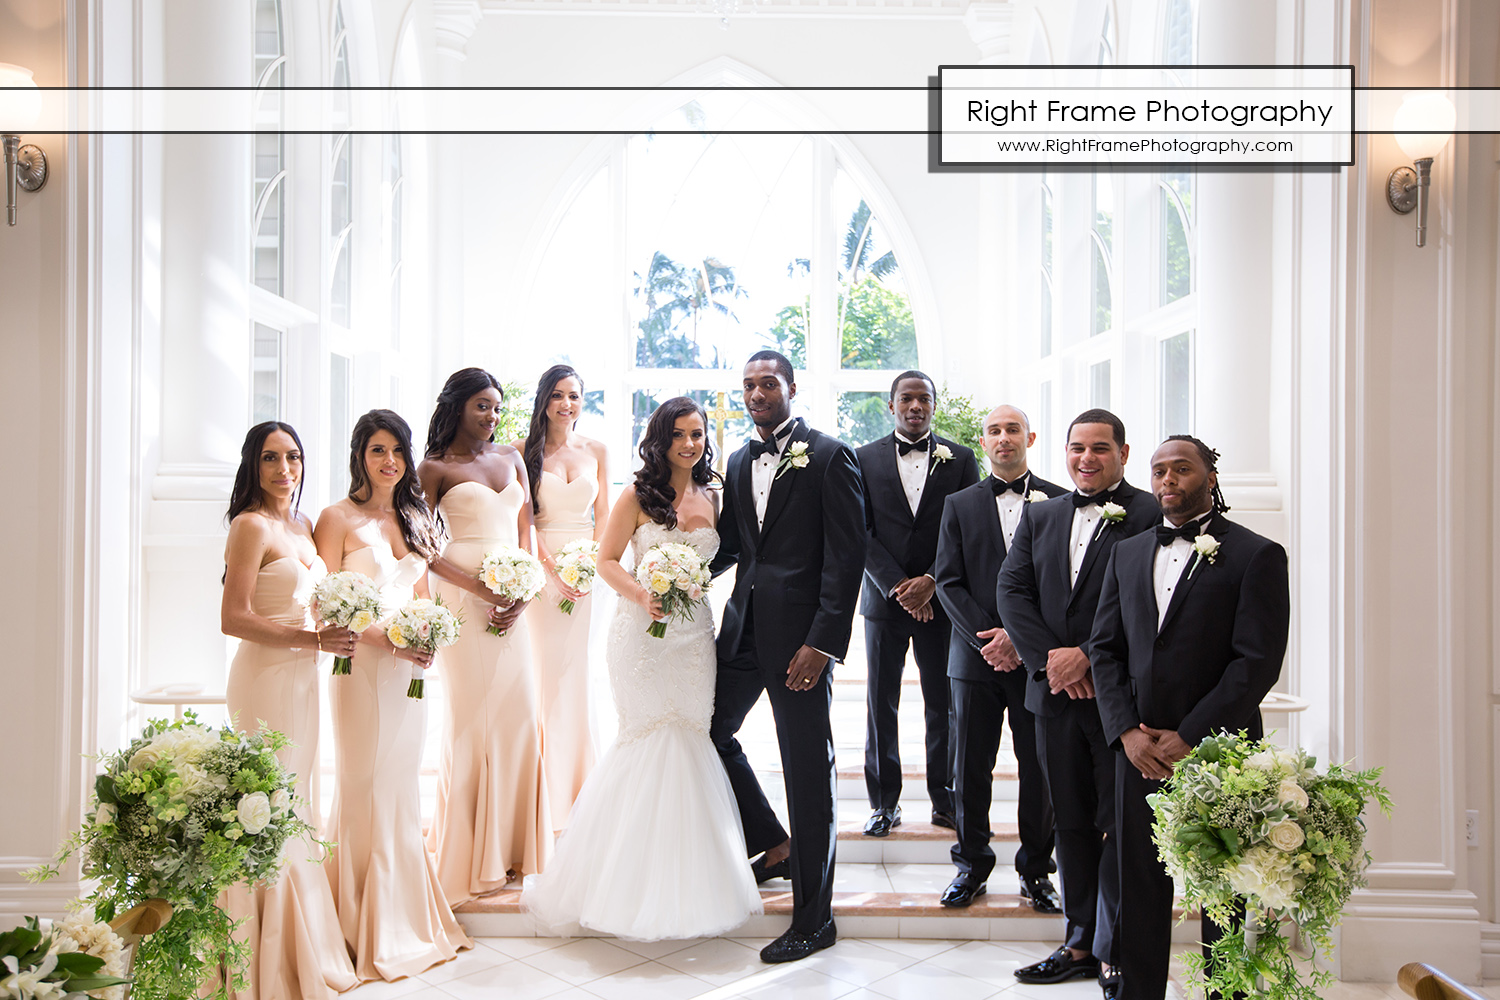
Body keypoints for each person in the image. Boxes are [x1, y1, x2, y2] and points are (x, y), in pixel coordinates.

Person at [521, 397, 762, 939]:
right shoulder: (636, 493)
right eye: (678, 433)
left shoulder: (716, 496)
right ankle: (620, 885)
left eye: (697, 433)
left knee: (691, 737)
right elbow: (606, 560)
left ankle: (694, 882)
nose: (689, 443)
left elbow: (723, 559)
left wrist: (687, 586)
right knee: (646, 738)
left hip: (694, 637)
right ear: (660, 438)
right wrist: (642, 594)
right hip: (640, 636)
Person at [1091, 436, 1289, 1000]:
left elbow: (1256, 664)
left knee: (1224, 884)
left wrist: (1191, 737)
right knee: (1140, 880)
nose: (1168, 479)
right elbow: (1104, 649)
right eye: (1159, 471)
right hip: (1138, 750)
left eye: (1182, 468)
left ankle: (1226, 991)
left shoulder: (1257, 555)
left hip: (1222, 751)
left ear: (1209, 477)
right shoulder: (1125, 553)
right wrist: (1127, 731)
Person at [709, 350, 866, 964]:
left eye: (767, 382)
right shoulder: (739, 458)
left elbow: (846, 557)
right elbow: (733, 547)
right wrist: (667, 577)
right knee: (707, 730)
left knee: (807, 769)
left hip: (802, 643)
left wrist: (822, 643)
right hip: (742, 631)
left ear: (791, 387)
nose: (756, 393)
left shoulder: (829, 455)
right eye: (747, 385)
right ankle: (772, 842)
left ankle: (814, 919)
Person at [996, 408, 1158, 998]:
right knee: (1070, 823)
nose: (1085, 458)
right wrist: (1052, 662)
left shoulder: (1149, 513)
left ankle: (1118, 948)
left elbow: (1147, 605)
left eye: (1099, 448)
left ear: (1123, 452)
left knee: (1121, 826)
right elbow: (1010, 590)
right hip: (1056, 699)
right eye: (1076, 448)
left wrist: (1089, 656)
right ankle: (1080, 940)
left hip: (1124, 704)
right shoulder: (1041, 516)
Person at [313, 409, 471, 981]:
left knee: (400, 786)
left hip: (409, 674)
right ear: (359, 455)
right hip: (362, 671)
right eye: (378, 450)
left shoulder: (413, 518)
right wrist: (392, 641)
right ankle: (360, 926)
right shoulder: (335, 519)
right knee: (363, 782)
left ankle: (407, 916)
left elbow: (424, 594)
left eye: (397, 451)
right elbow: (324, 602)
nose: (390, 462)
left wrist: (426, 638)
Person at [219, 421, 357, 1000]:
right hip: (265, 677)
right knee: (267, 803)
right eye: (272, 458)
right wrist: (313, 643)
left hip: (303, 676)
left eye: (293, 457)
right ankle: (262, 955)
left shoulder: (302, 526)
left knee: (296, 800)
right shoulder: (249, 526)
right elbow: (233, 618)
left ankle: (303, 942)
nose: (284, 469)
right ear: (254, 464)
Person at [419, 368, 551, 903]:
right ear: (456, 405)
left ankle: (518, 850)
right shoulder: (432, 468)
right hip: (463, 601)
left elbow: (525, 533)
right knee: (473, 721)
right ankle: (473, 851)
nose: (492, 416)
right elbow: (421, 547)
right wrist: (479, 586)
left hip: (513, 602)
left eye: (497, 407)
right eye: (482, 406)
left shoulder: (512, 458)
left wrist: (521, 589)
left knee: (520, 712)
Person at [933, 405, 1065, 911]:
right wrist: (990, 641)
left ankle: (1037, 870)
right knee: (970, 767)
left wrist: (1020, 640)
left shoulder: (1059, 500)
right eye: (994, 431)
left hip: (1037, 660)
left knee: (1039, 767)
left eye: (1013, 429)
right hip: (974, 660)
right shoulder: (959, 503)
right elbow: (947, 581)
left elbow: (1062, 586)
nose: (1004, 438)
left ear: (1029, 436)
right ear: (983, 441)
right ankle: (970, 866)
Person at [855, 371, 978, 837]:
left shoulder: (962, 459)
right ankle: (883, 803)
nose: (915, 406)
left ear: (932, 405)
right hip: (885, 602)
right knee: (880, 702)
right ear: (891, 405)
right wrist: (899, 586)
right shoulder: (861, 458)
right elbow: (859, 532)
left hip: (940, 601)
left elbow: (967, 528)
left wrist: (930, 580)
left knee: (941, 702)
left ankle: (943, 800)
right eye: (906, 398)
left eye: (923, 399)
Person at [513, 364, 610, 832]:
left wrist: (594, 565)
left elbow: (606, 517)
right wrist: (551, 569)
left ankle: (580, 786)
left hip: (588, 574)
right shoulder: (522, 452)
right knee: (544, 674)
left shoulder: (597, 450)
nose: (565, 404)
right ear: (543, 400)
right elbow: (525, 522)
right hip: (541, 571)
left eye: (573, 395)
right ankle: (543, 794)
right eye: (557, 395)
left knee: (577, 673)